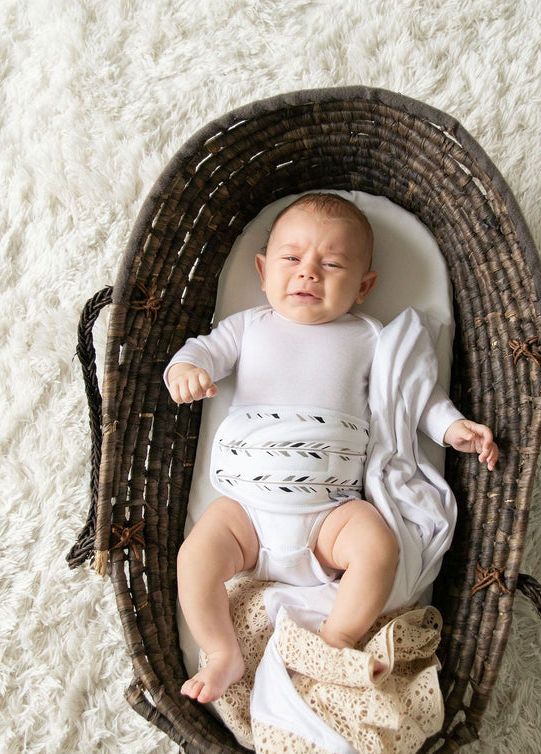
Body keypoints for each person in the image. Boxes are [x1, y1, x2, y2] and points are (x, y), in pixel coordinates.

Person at [165, 193, 498, 704]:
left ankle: (337, 638)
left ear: (364, 286)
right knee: (194, 557)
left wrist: (451, 428)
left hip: (328, 515)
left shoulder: (369, 336)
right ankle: (221, 651)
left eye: (333, 263)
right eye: (292, 259)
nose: (308, 274)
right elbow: (200, 350)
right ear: (262, 270)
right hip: (246, 515)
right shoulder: (249, 327)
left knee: (377, 546)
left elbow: (412, 394)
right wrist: (188, 372)